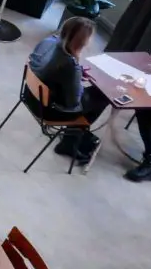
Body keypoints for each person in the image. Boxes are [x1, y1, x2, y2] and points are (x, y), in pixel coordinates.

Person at [27, 17, 110, 163]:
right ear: (82, 41)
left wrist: (74, 77)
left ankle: (76, 136)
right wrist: (76, 79)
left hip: (30, 95)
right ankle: (70, 142)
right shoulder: (70, 64)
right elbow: (73, 103)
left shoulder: (48, 42)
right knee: (103, 95)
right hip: (49, 109)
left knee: (94, 94)